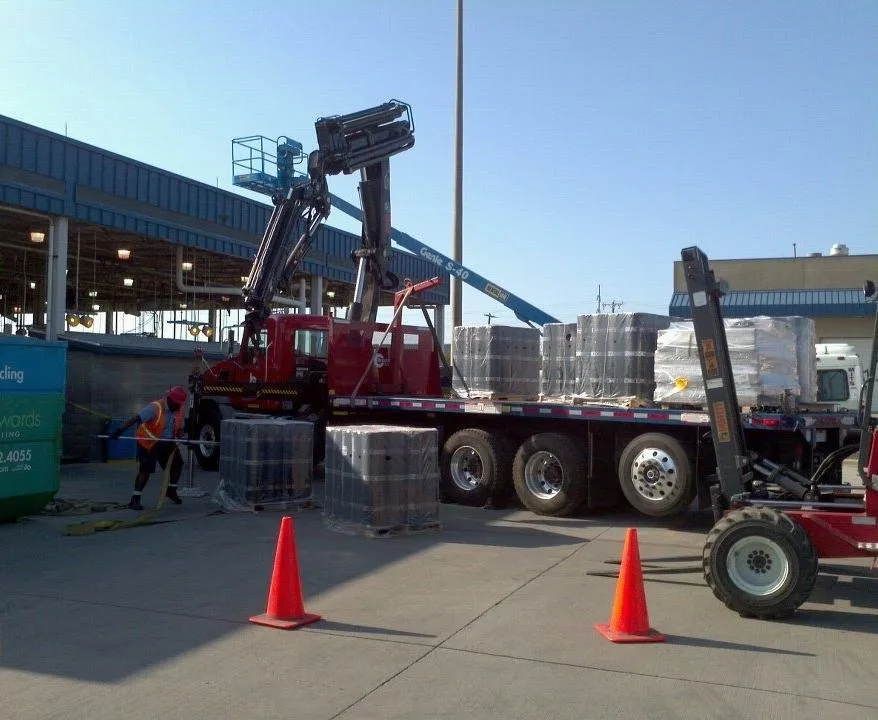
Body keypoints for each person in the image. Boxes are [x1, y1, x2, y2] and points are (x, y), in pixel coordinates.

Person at [110, 386, 188, 510]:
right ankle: (135, 498)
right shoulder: (155, 407)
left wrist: (185, 440)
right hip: (149, 442)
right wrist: (119, 431)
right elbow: (136, 419)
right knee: (146, 469)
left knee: (177, 463)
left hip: (167, 442)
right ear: (171, 400)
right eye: (178, 404)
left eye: (181, 404)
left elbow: (179, 431)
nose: (179, 406)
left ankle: (171, 491)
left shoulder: (178, 410)